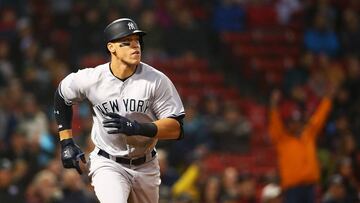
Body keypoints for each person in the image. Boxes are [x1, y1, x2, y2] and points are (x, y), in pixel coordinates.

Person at [53, 18, 185, 203]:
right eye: (127, 42)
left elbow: (177, 128)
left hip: (146, 165)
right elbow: (61, 95)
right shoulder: (92, 78)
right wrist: (66, 142)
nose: (135, 46)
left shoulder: (156, 80)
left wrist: (139, 128)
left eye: (137, 41)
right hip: (107, 162)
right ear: (111, 48)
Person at [268, 87, 334, 203]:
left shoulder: (309, 134)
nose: (296, 125)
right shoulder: (282, 139)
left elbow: (320, 117)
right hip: (293, 188)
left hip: (310, 186)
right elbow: (274, 122)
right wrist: (273, 105)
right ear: (288, 125)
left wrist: (327, 99)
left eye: (298, 122)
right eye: (293, 122)